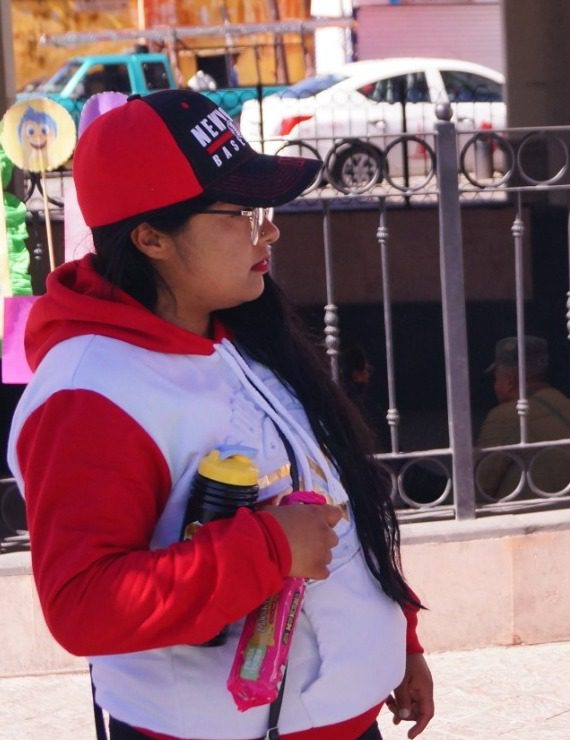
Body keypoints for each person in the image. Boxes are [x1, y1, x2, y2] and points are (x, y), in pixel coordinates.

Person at [8, 90, 434, 739]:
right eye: (239, 212)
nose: (269, 229)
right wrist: (269, 547)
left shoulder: (238, 338)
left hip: (340, 718)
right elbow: (83, 606)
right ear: (150, 237)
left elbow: (331, 493)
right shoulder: (87, 392)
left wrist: (398, 639)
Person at [476, 335, 570, 499]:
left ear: (509, 381)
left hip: (528, 514)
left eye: (496, 379)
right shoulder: (569, 407)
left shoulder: (505, 417)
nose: (495, 386)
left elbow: (478, 485)